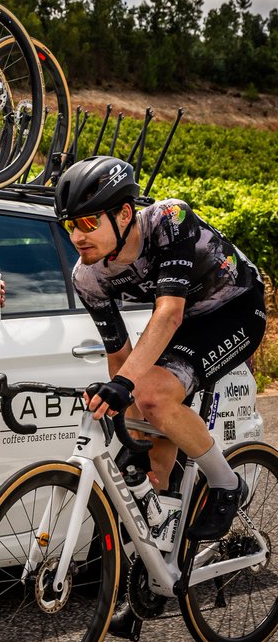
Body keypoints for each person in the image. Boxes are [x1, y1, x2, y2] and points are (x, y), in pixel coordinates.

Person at [56, 155, 267, 541]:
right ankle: (162, 537)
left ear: (123, 214)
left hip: (234, 309)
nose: (77, 236)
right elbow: (119, 357)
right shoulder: (88, 278)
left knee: (151, 393)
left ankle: (226, 483)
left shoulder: (169, 219)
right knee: (143, 426)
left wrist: (126, 385)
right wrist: (123, 407)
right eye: (70, 225)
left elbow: (169, 313)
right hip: (186, 323)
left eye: (88, 222)